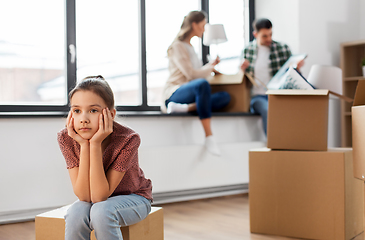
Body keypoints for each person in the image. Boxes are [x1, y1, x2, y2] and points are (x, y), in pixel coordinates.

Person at [57, 75, 152, 240]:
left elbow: (100, 197)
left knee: (101, 211)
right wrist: (84, 145)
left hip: (134, 197)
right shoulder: (66, 138)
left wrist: (94, 144)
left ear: (111, 114)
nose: (83, 119)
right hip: (96, 201)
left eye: (93, 110)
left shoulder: (128, 139)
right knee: (76, 211)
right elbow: (84, 196)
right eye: (77, 110)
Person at [162, 10, 231, 156]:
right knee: (202, 85)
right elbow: (191, 75)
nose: (204, 29)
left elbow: (199, 76)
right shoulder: (177, 46)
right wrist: (209, 67)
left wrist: (212, 70)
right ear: (194, 24)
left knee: (225, 97)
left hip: (192, 94)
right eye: (203, 25)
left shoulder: (191, 47)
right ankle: (209, 137)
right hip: (175, 91)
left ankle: (184, 108)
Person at [240, 18, 304, 135]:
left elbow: (291, 75)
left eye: (270, 35)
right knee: (268, 110)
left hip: (278, 95)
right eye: (264, 36)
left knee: (294, 111)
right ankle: (273, 145)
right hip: (258, 97)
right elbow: (241, 79)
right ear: (255, 34)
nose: (269, 39)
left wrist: (297, 68)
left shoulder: (282, 49)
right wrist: (241, 70)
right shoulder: (247, 51)